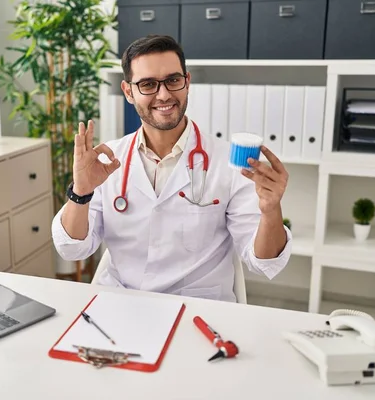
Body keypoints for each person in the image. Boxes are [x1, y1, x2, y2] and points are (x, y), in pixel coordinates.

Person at [51, 35, 292, 302]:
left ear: (187, 82)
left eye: (173, 80)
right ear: (128, 91)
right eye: (148, 84)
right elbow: (72, 249)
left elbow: (265, 262)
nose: (164, 94)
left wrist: (271, 211)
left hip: (199, 309)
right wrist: (81, 192)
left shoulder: (229, 162)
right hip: (122, 304)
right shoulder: (107, 160)